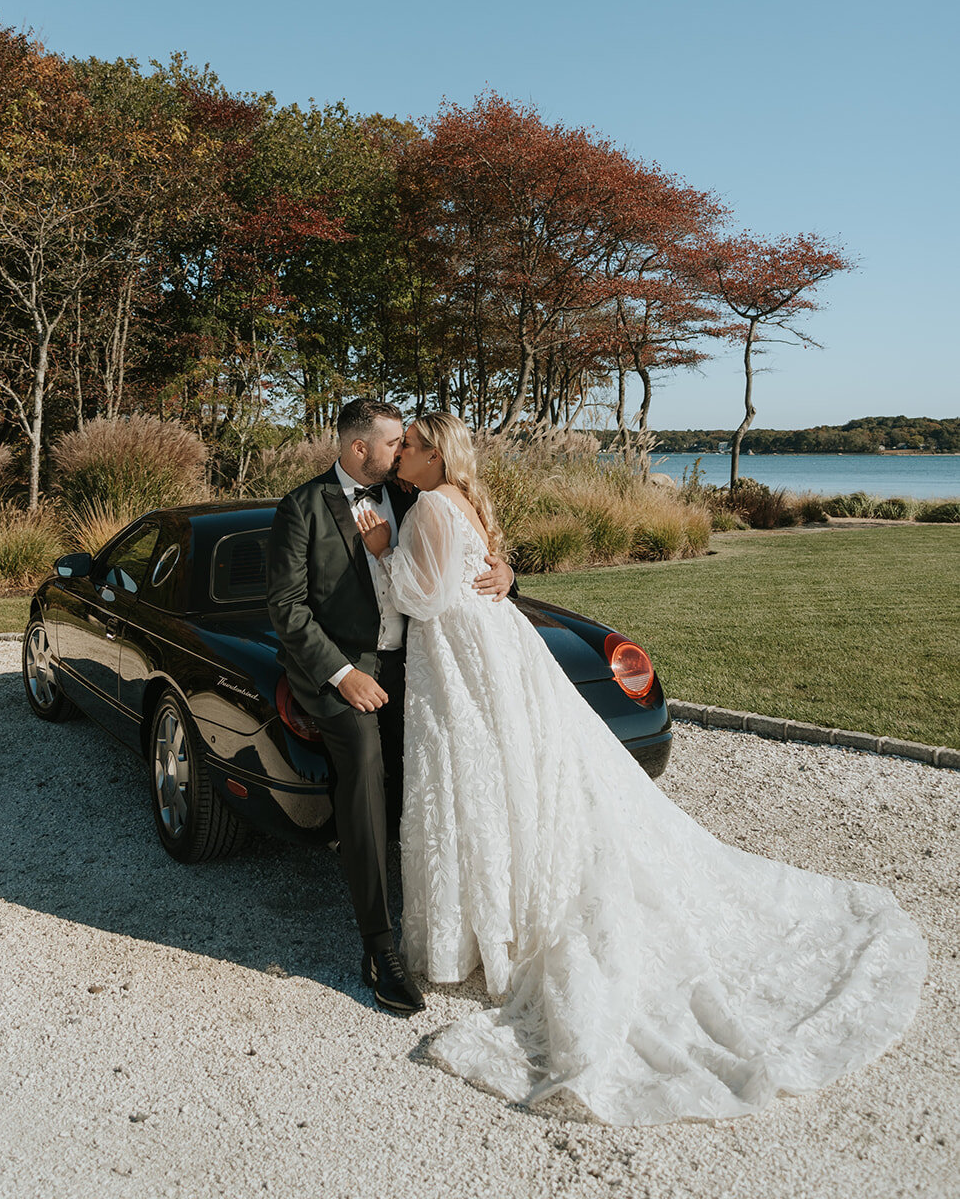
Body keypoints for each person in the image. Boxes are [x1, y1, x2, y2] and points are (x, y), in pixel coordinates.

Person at [357, 413, 928, 1125]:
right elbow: (468, 567)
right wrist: (485, 567)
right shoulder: (451, 500)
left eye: (408, 444)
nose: (399, 452)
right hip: (485, 654)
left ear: (435, 453)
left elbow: (424, 597)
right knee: (498, 787)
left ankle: (488, 936)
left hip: (467, 660)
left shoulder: (433, 504)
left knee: (479, 784)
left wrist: (382, 552)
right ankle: (490, 928)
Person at [265, 398, 515, 1016]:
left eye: (406, 441)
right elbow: (287, 608)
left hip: (424, 666)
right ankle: (379, 945)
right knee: (367, 776)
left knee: (459, 775)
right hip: (346, 671)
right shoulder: (302, 507)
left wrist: (506, 572)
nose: (401, 448)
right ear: (358, 448)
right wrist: (343, 674)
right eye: (392, 441)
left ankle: (470, 914)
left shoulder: (412, 496)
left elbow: (459, 559)